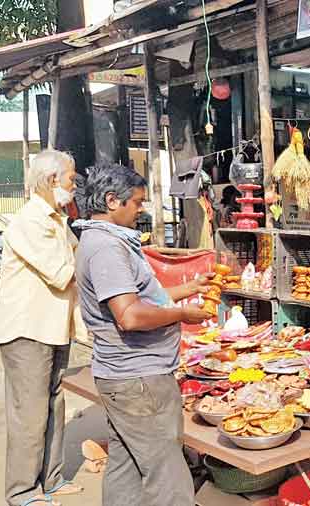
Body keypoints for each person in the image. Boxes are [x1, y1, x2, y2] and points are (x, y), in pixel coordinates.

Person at [73, 163, 212, 506]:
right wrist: (183, 314)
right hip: (139, 378)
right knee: (168, 476)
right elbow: (131, 315)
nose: (141, 210)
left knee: (127, 467)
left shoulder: (102, 240)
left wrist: (189, 287)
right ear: (111, 201)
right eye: (136, 203)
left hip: (124, 377)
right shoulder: (107, 247)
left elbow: (142, 296)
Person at [0, 150, 85, 506]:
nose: (73, 187)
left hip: (54, 329)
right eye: (70, 180)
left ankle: (51, 480)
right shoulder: (29, 221)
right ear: (51, 180)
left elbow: (79, 257)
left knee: (53, 408)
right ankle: (21, 492)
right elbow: (64, 272)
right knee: (29, 417)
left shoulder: (56, 219)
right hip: (27, 333)